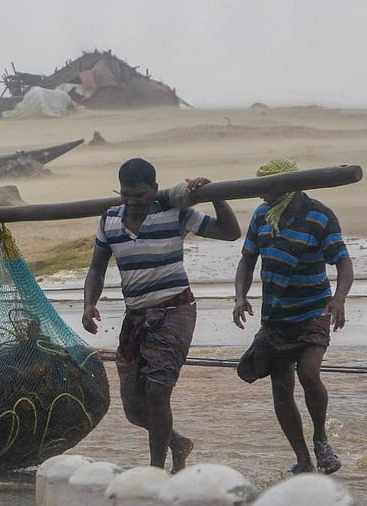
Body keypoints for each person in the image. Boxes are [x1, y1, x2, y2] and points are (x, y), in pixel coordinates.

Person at [82, 158, 241, 472]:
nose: (133, 202)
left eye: (140, 195)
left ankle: (156, 470)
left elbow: (229, 232)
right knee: (134, 410)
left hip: (175, 309)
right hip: (136, 316)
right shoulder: (110, 220)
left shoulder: (175, 212)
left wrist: (215, 194)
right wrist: (89, 304)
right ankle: (178, 443)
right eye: (126, 195)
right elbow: (97, 269)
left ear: (154, 189)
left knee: (158, 391)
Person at [232, 159, 354, 475]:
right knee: (281, 388)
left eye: (266, 189)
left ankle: (321, 440)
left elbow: (342, 262)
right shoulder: (261, 217)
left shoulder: (320, 216)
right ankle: (303, 458)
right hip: (275, 316)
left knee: (310, 373)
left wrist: (339, 299)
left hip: (313, 310)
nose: (261, 196)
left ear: (287, 186)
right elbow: (246, 260)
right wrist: (240, 297)